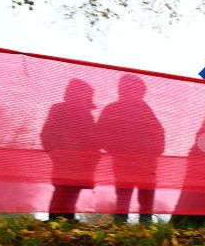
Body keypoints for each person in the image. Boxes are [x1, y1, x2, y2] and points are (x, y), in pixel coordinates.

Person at [97, 75, 166, 223]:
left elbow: (159, 133)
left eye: (139, 89)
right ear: (122, 90)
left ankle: (145, 226)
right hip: (124, 161)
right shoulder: (112, 109)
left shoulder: (147, 111)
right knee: (123, 196)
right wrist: (119, 149)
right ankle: (120, 227)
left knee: (146, 196)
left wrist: (155, 150)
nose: (136, 92)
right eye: (130, 88)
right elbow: (101, 134)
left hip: (147, 162)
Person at [40, 79, 101, 220]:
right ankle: (55, 223)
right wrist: (59, 152)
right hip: (66, 159)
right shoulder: (58, 110)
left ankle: (65, 222)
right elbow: (48, 134)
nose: (85, 101)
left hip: (81, 161)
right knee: (63, 191)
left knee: (72, 191)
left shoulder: (86, 115)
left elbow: (93, 138)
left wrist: (93, 153)